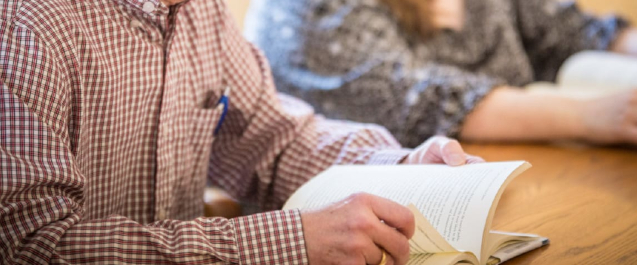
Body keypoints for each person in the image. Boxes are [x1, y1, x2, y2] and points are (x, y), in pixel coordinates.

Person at [0, 0, 483, 264]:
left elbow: (275, 141)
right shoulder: (27, 23)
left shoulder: (199, 11)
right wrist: (289, 243)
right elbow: (27, 248)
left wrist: (398, 167)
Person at [245, 0, 637, 148]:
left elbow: (569, 28)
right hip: (376, 218)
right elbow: (419, 102)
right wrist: (591, 117)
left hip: (518, 173)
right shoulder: (309, 9)